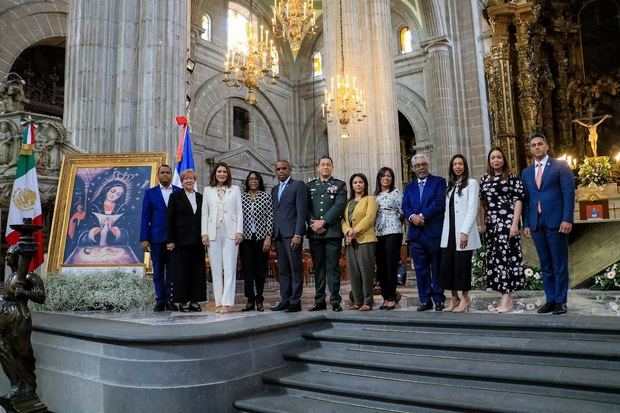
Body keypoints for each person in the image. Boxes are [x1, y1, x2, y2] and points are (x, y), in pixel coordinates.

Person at [522, 132, 575, 315]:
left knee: (559, 263)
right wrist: (527, 223)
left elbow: (568, 194)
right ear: (530, 149)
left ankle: (561, 301)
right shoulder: (527, 172)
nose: (536, 147)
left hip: (556, 222)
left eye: (539, 144)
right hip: (537, 224)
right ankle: (550, 299)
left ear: (547, 146)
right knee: (545, 264)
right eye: (533, 145)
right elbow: (527, 200)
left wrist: (567, 218)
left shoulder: (560, 166)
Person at [479, 147, 525, 313]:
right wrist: (483, 223)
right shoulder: (484, 179)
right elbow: (483, 203)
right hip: (492, 225)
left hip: (507, 223)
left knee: (506, 259)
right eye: (493, 158)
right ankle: (506, 296)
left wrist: (515, 224)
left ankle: (506, 297)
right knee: (496, 260)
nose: (496, 160)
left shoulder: (512, 177)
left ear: (504, 159)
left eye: (499, 157)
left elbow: (518, 200)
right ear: (489, 161)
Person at [402, 154, 447, 311]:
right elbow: (405, 206)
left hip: (433, 232)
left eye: (424, 164)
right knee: (420, 270)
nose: (421, 167)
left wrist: (422, 216)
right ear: (413, 168)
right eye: (418, 165)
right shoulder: (409, 187)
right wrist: (411, 216)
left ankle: (439, 299)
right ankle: (424, 300)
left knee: (436, 267)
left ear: (428, 165)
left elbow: (439, 203)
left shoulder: (439, 182)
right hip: (416, 235)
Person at [438, 155, 481, 312]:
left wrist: (465, 232)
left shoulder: (471, 183)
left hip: (463, 232)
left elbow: (472, 209)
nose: (457, 166)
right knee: (448, 266)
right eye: (455, 164)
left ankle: (465, 298)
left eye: (460, 163)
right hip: (448, 233)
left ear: (465, 166)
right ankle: (454, 298)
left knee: (462, 266)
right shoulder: (450, 186)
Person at [201, 162, 243, 314]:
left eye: (225, 171)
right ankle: (218, 302)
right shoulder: (207, 191)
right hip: (213, 232)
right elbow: (205, 213)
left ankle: (227, 302)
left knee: (230, 267)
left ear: (228, 174)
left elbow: (239, 212)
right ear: (215, 174)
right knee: (216, 269)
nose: (222, 174)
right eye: (219, 171)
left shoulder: (235, 189)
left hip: (231, 232)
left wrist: (239, 231)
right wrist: (203, 233)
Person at [306, 156, 347, 312]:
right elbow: (306, 207)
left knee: (332, 268)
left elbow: (339, 206)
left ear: (332, 167)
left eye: (328, 165)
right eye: (322, 165)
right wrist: (313, 223)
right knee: (318, 269)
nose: (325, 167)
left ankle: (335, 300)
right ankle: (319, 301)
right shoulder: (310, 186)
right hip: (315, 233)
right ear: (318, 168)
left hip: (332, 233)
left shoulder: (339, 185)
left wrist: (323, 222)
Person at [140, 164, 181, 312]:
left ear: (171, 175)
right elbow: (145, 217)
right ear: (158, 175)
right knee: (157, 272)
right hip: (156, 239)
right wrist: (144, 238)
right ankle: (160, 300)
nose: (165, 175)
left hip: (174, 240)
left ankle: (170, 300)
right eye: (162, 173)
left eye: (168, 173)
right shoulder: (150, 193)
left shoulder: (179, 192)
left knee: (172, 271)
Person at [166, 169, 206, 312]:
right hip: (180, 241)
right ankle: (183, 302)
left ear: (195, 181)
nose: (189, 181)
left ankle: (195, 301)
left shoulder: (201, 197)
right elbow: (169, 219)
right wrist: (170, 240)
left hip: (198, 241)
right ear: (182, 182)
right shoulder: (175, 197)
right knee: (181, 272)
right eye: (185, 179)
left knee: (197, 272)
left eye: (191, 178)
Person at [270, 160, 307, 313]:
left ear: (290, 169)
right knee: (283, 270)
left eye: (284, 168)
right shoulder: (274, 189)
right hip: (278, 235)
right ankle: (285, 299)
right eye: (278, 169)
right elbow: (274, 213)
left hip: (292, 235)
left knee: (295, 268)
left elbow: (301, 211)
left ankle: (295, 301)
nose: (281, 171)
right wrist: (272, 235)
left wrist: (298, 233)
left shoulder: (298, 185)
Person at [342, 173, 378, 311]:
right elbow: (343, 220)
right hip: (350, 240)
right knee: (354, 272)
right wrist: (347, 231)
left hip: (366, 240)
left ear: (365, 184)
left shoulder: (370, 199)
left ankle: (368, 302)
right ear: (352, 185)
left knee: (366, 271)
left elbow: (369, 218)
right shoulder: (348, 202)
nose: (358, 184)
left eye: (360, 182)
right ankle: (357, 301)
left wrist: (354, 231)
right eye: (355, 182)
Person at [240, 171, 273, 312]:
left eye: (256, 179)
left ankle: (259, 299)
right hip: (245, 239)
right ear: (247, 182)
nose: (253, 181)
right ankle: (250, 300)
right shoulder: (241, 197)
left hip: (261, 238)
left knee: (260, 270)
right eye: (251, 179)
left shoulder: (266, 197)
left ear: (259, 181)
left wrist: (268, 237)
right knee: (247, 270)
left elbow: (270, 217)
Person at [373, 167, 403, 311]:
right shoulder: (375, 195)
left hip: (393, 231)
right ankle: (385, 297)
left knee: (391, 265)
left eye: (389, 176)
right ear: (379, 179)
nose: (386, 178)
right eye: (383, 176)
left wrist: (396, 224)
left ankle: (391, 297)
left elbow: (403, 212)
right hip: (378, 233)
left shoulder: (396, 193)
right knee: (381, 266)